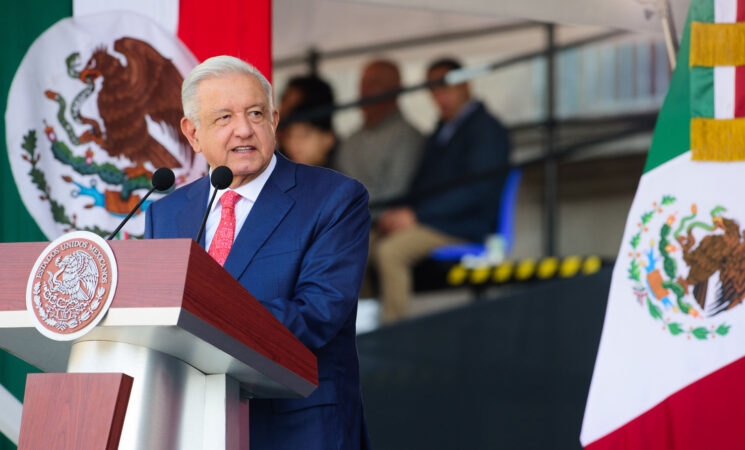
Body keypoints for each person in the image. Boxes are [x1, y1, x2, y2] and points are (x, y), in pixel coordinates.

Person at [144, 56, 371, 449]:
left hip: (293, 429)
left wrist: (204, 320)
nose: (244, 129)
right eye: (224, 118)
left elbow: (319, 312)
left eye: (255, 113)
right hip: (190, 425)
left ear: (274, 120)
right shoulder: (166, 214)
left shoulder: (333, 199)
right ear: (192, 133)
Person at [372, 57, 511, 323]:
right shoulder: (443, 130)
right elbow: (422, 185)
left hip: (465, 227)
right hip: (436, 221)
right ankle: (356, 336)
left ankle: (392, 337)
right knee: (358, 246)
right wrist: (397, 213)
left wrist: (416, 216)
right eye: (433, 90)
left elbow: (476, 192)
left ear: (466, 85)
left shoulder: (486, 130)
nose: (439, 97)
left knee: (391, 252)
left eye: (445, 87)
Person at [334, 59, 423, 207]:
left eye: (374, 84)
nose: (364, 91)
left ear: (395, 90)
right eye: (362, 83)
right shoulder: (351, 139)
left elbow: (393, 196)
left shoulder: (407, 137)